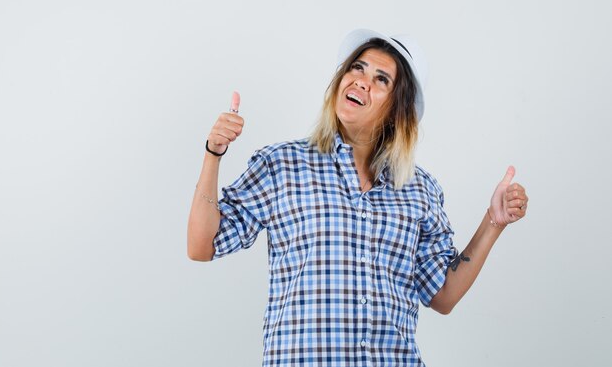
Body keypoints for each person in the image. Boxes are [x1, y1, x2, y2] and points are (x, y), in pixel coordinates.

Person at [187, 29, 529, 366]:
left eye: (382, 80)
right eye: (357, 68)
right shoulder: (282, 165)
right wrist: (212, 153)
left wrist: (493, 223)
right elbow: (203, 245)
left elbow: (443, 295)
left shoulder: (419, 189)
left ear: (399, 109)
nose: (362, 81)